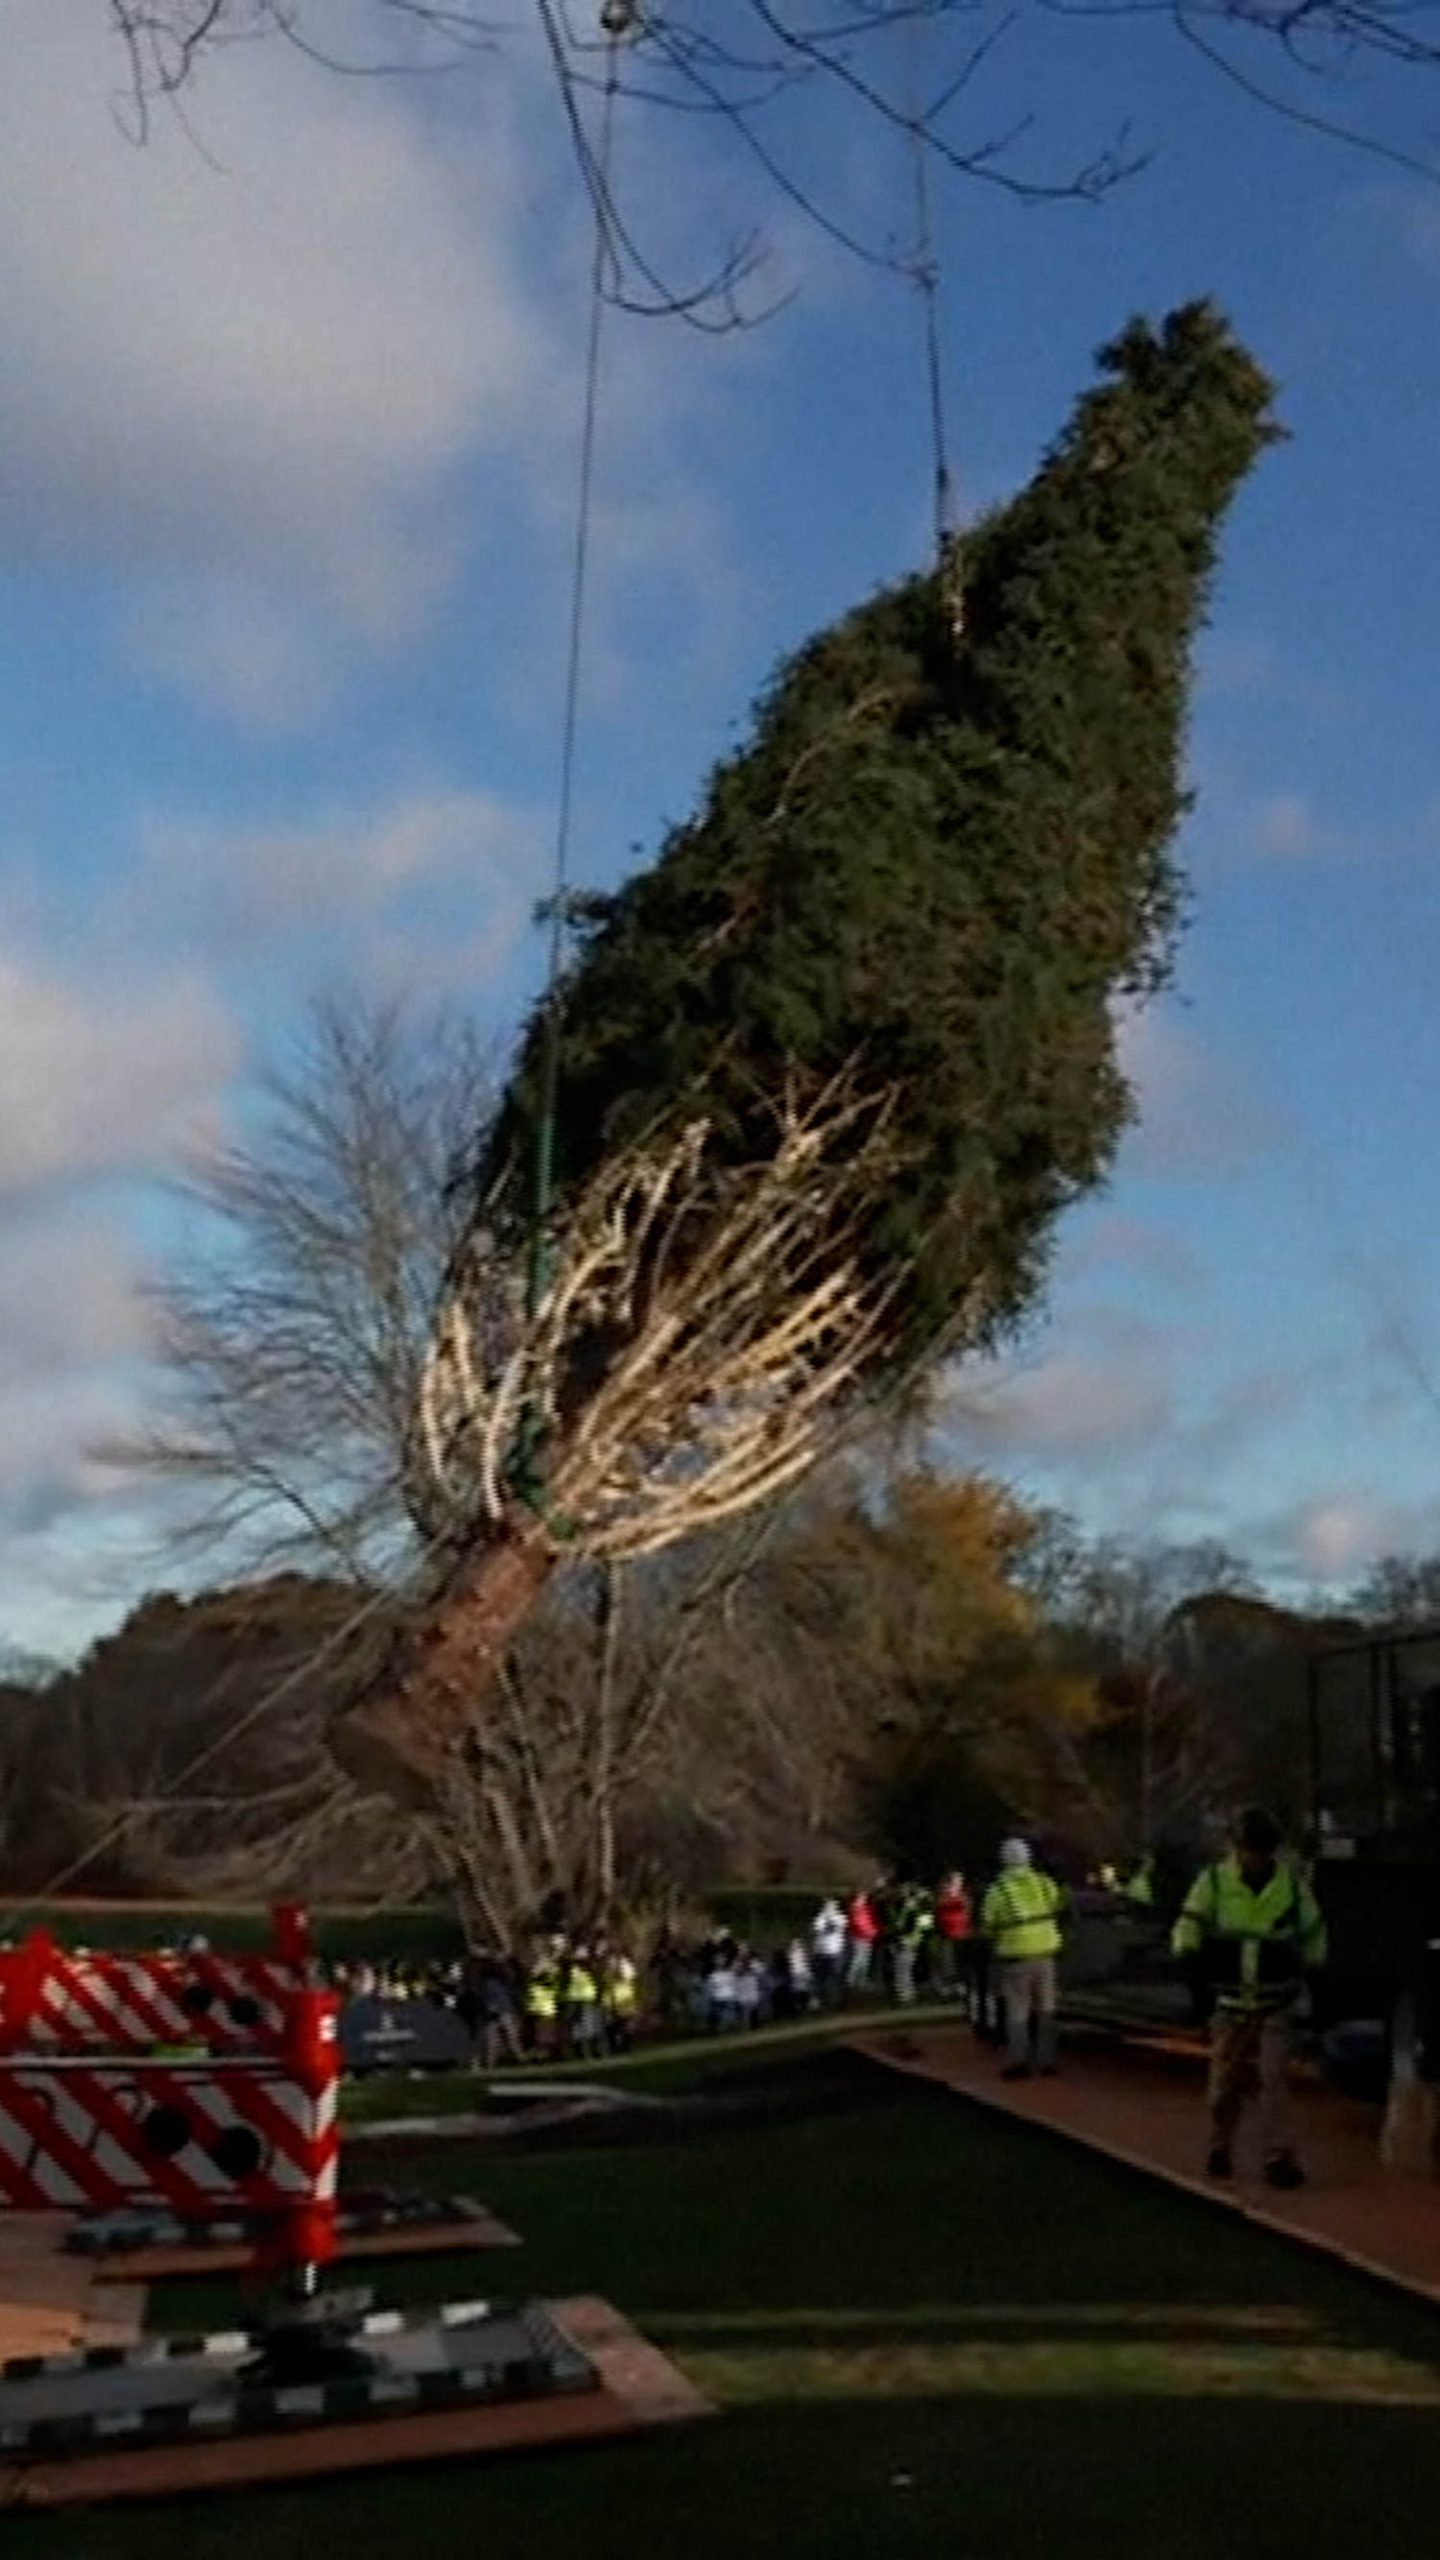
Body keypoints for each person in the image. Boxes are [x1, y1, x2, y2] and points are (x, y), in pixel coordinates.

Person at [1172, 1805, 1327, 2189]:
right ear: (1236, 1847)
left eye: (1260, 1850)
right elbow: (1190, 1923)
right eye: (1248, 1849)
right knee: (1224, 2084)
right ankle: (1220, 2145)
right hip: (1229, 2002)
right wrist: (1189, 1961)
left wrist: (1314, 1968)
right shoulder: (1214, 1882)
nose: (1254, 1857)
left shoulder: (1290, 1885)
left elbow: (1313, 1929)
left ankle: (1278, 2157)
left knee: (1273, 2080)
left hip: (1276, 2000)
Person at [981, 1838, 1064, 2080]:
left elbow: (989, 1922)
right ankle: (1046, 2061)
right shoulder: (1044, 1883)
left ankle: (1019, 2062)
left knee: (1017, 2011)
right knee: (1046, 2009)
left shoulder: (998, 1890)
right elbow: (1058, 1905)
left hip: (1015, 1955)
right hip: (1046, 1952)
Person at [933, 1871, 975, 2010]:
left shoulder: (963, 1897)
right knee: (948, 1964)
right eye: (956, 1881)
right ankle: (948, 1991)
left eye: (959, 1882)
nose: (958, 1884)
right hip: (947, 1936)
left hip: (962, 1936)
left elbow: (967, 1909)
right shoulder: (943, 1897)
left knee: (960, 1965)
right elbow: (941, 1907)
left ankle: (960, 1990)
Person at [810, 1896, 848, 2008]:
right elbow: (818, 1929)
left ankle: (838, 2001)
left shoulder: (841, 1917)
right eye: (827, 1905)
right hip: (821, 1953)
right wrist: (825, 1917)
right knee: (819, 1978)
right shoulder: (820, 1918)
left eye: (832, 1905)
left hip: (836, 1953)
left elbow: (836, 1927)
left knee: (837, 1978)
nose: (830, 1907)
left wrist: (829, 1918)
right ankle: (819, 2001)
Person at [845, 1884, 882, 1999]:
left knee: (865, 1959)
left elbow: (870, 1921)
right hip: (860, 1937)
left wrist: (873, 1931)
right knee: (859, 1959)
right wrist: (870, 1932)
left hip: (867, 1937)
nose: (864, 1898)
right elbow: (858, 1923)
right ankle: (851, 1979)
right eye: (861, 1896)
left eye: (864, 1896)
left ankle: (861, 1981)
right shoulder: (855, 1909)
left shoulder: (866, 1908)